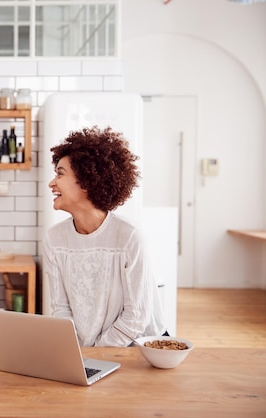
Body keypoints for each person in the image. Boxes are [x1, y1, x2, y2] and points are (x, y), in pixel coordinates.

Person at [44, 126, 166, 347]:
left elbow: (136, 316)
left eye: (60, 174)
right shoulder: (54, 239)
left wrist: (98, 354)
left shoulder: (130, 236)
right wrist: (75, 351)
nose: (51, 183)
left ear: (87, 181)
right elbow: (60, 308)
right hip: (85, 353)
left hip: (138, 349)